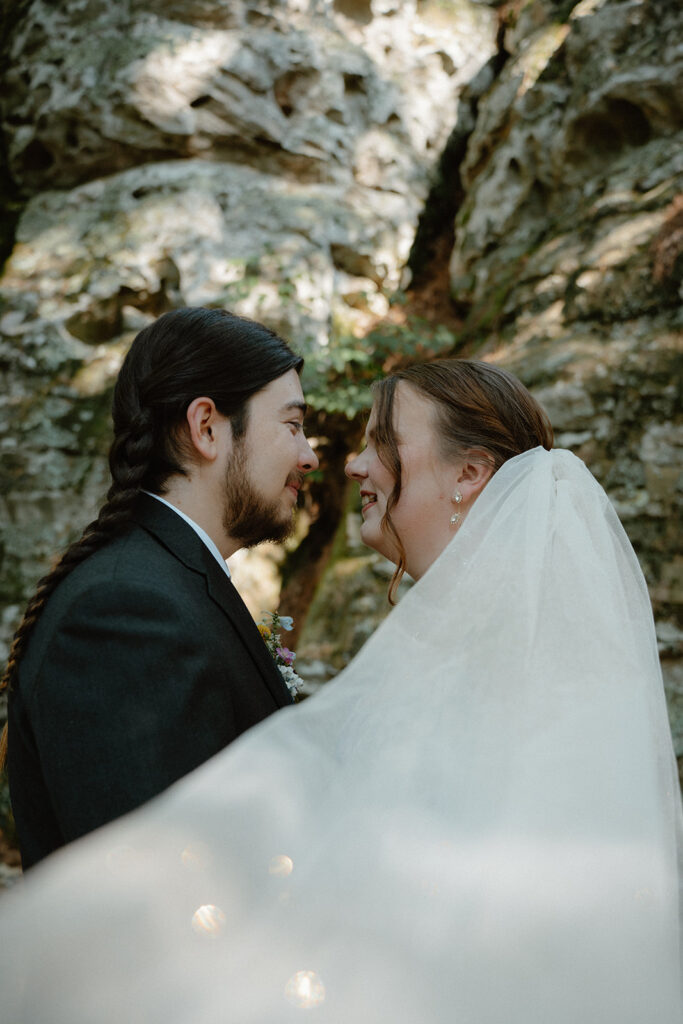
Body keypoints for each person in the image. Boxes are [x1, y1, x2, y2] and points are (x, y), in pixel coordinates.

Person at [0, 359, 680, 1024]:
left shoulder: (516, 662)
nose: (349, 465)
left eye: (380, 444)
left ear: (468, 475)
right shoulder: (443, 649)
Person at [0, 306, 319, 869]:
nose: (309, 455)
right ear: (206, 427)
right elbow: (151, 889)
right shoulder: (124, 613)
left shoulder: (168, 582)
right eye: (292, 425)